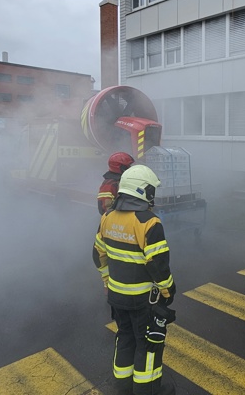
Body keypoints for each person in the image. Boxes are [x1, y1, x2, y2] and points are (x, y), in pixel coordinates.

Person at [93, 165, 177, 395]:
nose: (153, 195)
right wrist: (168, 291)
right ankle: (147, 390)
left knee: (125, 338)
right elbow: (158, 266)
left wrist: (107, 281)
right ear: (143, 191)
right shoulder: (149, 222)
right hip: (142, 301)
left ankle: (122, 386)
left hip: (116, 297)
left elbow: (97, 255)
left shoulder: (107, 217)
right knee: (148, 346)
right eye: (151, 190)